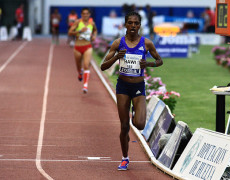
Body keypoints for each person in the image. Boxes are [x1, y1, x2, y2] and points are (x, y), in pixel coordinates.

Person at [101, 11, 163, 170]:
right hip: (122, 86)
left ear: (140, 25)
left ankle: (136, 112)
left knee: (140, 124)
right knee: (124, 126)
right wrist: (116, 57)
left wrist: (147, 64)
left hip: (138, 86)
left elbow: (159, 60)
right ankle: (125, 158)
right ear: (125, 24)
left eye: (136, 23)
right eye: (130, 23)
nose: (133, 26)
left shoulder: (147, 43)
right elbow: (103, 66)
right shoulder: (118, 43)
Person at [68, 8, 97, 93]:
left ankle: (85, 86)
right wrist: (80, 31)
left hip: (87, 46)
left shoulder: (92, 23)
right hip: (78, 47)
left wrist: (94, 36)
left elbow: (95, 30)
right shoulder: (78, 22)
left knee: (86, 65)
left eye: (87, 13)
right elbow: (70, 32)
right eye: (83, 13)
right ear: (81, 14)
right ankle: (79, 72)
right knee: (78, 66)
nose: (85, 15)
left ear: (89, 14)